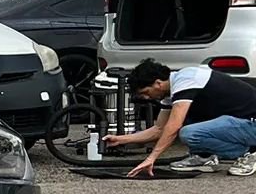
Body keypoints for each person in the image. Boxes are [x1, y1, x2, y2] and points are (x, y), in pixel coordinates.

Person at [107, 59, 256, 177]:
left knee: (188, 132)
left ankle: (251, 153)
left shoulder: (186, 80)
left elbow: (173, 127)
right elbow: (159, 129)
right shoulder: (172, 91)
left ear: (158, 83)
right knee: (187, 121)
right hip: (239, 122)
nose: (146, 98)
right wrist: (121, 139)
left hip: (251, 122)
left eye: (146, 92)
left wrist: (151, 158)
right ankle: (205, 158)